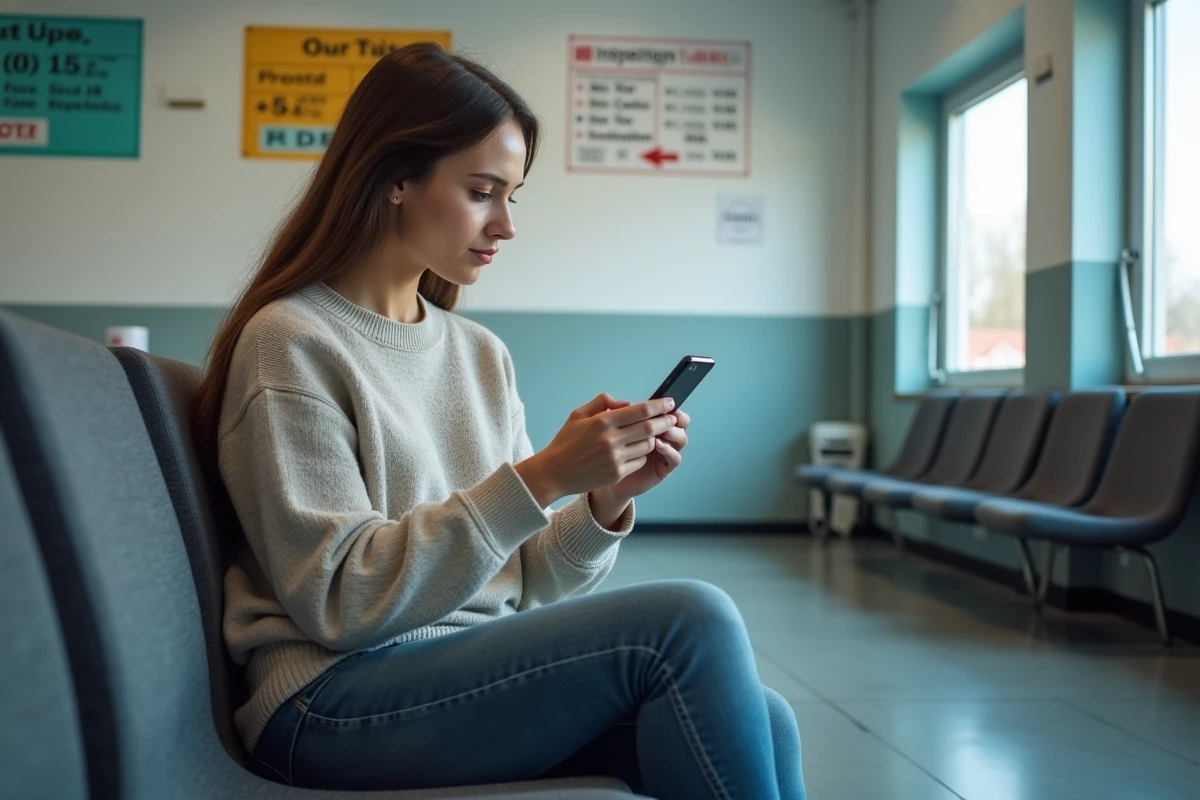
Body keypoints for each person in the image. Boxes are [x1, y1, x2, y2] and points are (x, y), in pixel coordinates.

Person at [191, 41, 806, 799]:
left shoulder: (478, 353)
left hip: (453, 675)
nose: (506, 225)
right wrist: (541, 475)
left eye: (513, 195)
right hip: (330, 701)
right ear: (393, 179)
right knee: (690, 621)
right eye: (483, 191)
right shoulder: (292, 342)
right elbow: (342, 601)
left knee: (765, 718)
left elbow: (527, 582)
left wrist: (601, 497)